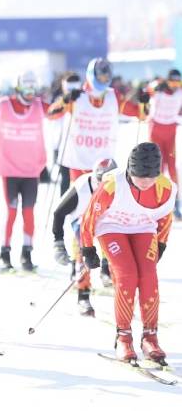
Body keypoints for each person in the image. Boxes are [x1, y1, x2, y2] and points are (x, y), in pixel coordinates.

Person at [81, 142, 175, 362]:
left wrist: (161, 243)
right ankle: (123, 337)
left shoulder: (166, 187)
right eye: (139, 177)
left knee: (149, 277)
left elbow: (165, 217)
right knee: (127, 275)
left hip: (143, 227)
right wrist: (88, 248)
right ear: (130, 172)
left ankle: (150, 336)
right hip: (112, 228)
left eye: (150, 178)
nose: (145, 183)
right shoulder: (113, 184)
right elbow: (89, 217)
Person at [48, 58, 145, 182]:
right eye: (100, 77)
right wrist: (65, 100)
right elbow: (51, 114)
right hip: (79, 161)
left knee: (101, 200)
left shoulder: (113, 97)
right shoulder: (78, 96)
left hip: (103, 163)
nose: (103, 80)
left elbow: (141, 114)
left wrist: (144, 102)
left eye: (106, 77)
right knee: (81, 198)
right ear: (92, 74)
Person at [0, 71, 48, 272]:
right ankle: (4, 252)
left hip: (31, 170)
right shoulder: (4, 105)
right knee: (12, 212)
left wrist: (68, 99)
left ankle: (27, 252)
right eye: (26, 88)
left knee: (29, 212)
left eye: (33, 88)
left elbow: (58, 110)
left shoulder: (39, 106)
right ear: (18, 88)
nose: (30, 93)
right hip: (10, 169)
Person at [52, 158, 117, 316]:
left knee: (115, 249)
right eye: (100, 181)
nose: (103, 187)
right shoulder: (81, 187)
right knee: (83, 249)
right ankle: (83, 294)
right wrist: (58, 242)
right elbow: (59, 213)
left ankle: (109, 272)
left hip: (105, 220)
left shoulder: (119, 186)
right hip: (82, 220)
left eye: (107, 182)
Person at [147, 69, 182, 219]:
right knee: (157, 168)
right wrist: (155, 86)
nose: (175, 86)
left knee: (173, 169)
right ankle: (155, 202)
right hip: (156, 130)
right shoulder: (159, 90)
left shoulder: (180, 92)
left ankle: (176, 204)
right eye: (172, 82)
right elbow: (146, 91)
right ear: (167, 81)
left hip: (170, 131)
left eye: (178, 82)